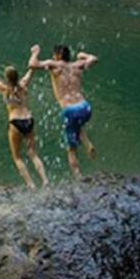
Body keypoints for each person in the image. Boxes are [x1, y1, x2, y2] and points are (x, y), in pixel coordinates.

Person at [0, 51, 49, 189]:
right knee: (33, 154)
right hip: (28, 119)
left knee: (17, 157)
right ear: (17, 76)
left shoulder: (4, 88)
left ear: (6, 78)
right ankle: (45, 181)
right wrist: (35, 53)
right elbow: (32, 69)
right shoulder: (24, 84)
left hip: (15, 122)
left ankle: (31, 184)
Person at [29, 43, 99, 179]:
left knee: (71, 149)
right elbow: (94, 59)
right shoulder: (78, 65)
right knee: (77, 124)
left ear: (58, 56)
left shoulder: (54, 65)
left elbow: (32, 64)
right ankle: (87, 143)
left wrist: (35, 52)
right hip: (85, 107)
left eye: (54, 54)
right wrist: (83, 55)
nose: (52, 57)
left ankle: (79, 178)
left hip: (70, 110)